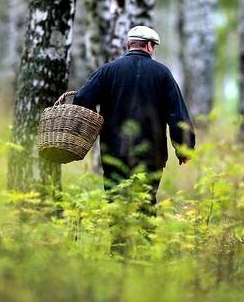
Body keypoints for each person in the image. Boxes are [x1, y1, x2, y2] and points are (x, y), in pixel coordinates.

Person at [73, 26, 195, 206]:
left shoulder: (108, 70)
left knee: (115, 202)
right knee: (145, 204)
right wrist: (184, 147)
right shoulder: (162, 73)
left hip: (113, 151)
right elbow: (176, 114)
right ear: (149, 46)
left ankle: (118, 234)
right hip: (151, 154)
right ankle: (144, 234)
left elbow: (82, 98)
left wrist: (93, 124)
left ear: (129, 45)